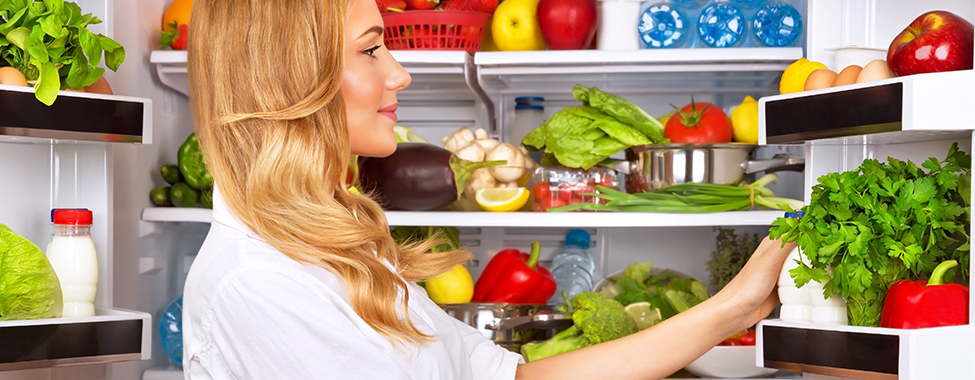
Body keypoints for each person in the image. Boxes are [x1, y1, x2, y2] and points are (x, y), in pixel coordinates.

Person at [181, 0, 798, 378]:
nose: (399, 70)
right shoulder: (260, 283)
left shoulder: (335, 247)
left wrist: (733, 308)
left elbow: (511, 378)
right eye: (371, 50)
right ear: (293, 78)